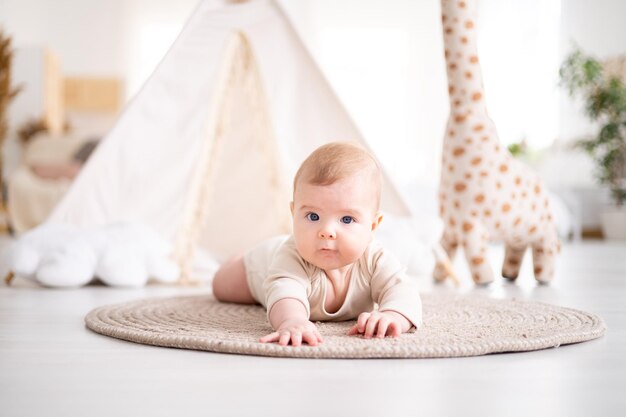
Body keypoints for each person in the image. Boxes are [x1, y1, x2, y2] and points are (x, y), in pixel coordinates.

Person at [212, 142, 422, 347]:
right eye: (313, 216)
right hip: (262, 261)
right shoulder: (293, 256)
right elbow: (285, 291)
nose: (327, 231)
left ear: (373, 225)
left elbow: (402, 289)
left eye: (347, 219)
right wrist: (292, 321)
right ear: (294, 214)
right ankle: (237, 258)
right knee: (222, 286)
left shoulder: (375, 259)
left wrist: (393, 315)